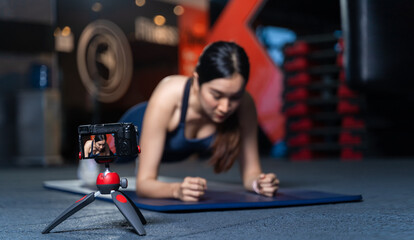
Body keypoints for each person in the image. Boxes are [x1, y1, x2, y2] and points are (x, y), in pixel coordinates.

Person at [134, 41, 279, 201]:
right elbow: (144, 184)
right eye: (217, 95)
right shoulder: (169, 94)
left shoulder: (245, 104)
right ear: (197, 81)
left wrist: (258, 183)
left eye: (235, 97)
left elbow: (251, 174)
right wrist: (176, 190)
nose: (225, 107)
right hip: (130, 135)